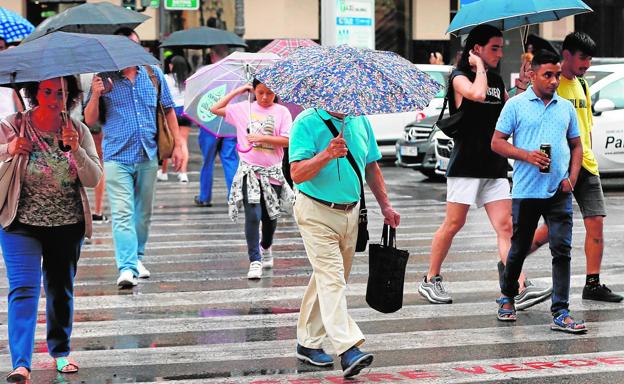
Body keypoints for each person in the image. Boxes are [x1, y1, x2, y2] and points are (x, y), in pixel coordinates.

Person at [418, 25, 551, 309]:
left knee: (506, 227)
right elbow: (477, 95)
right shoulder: (459, 77)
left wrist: (522, 88)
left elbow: (509, 110)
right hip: (466, 163)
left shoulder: (495, 78)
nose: (501, 53)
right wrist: (477, 66)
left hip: (494, 163)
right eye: (494, 48)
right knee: (454, 224)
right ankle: (430, 279)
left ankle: (518, 284)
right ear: (476, 49)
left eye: (502, 47)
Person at [0, 76, 102, 381]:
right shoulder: (12, 124)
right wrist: (9, 148)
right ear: (34, 93)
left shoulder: (78, 130)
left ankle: (60, 351)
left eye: (61, 92)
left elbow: (94, 178)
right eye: (47, 92)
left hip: (66, 224)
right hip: (20, 223)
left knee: (60, 290)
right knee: (23, 289)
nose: (55, 98)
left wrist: (76, 151)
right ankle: (21, 363)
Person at [289, 108, 400, 378]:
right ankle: (348, 347)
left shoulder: (360, 121)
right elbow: (297, 173)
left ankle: (307, 343)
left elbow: (371, 166)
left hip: (351, 212)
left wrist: (385, 206)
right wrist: (327, 154)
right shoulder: (305, 122)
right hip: (316, 211)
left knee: (328, 280)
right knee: (332, 279)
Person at [84, 28, 187, 288]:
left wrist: (178, 145)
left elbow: (168, 110)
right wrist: (95, 94)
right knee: (122, 213)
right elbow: (90, 120)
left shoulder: (152, 75)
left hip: (148, 153)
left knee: (143, 214)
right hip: (117, 156)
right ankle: (127, 267)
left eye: (135, 45)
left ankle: (137, 257)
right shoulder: (103, 78)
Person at [492, 49, 584, 332]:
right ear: (532, 74)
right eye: (548, 75)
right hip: (527, 190)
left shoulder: (565, 107)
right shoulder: (516, 105)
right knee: (519, 247)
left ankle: (561, 311)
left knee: (562, 250)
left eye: (557, 74)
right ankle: (507, 296)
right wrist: (525, 155)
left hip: (559, 190)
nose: (554, 80)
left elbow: (576, 145)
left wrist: (572, 179)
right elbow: (496, 142)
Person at [528, 33, 623, 303]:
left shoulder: (581, 83)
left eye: (590, 59)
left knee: (596, 222)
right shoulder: (552, 83)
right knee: (551, 229)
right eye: (583, 58)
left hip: (587, 165)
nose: (587, 64)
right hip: (561, 166)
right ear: (567, 55)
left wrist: (589, 153)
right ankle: (511, 260)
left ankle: (592, 283)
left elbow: (587, 124)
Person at [211, 80, 293, 279]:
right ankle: (255, 260)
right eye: (260, 92)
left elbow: (288, 140)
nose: (264, 97)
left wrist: (262, 138)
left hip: (272, 173)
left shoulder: (282, 112)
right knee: (253, 215)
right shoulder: (243, 109)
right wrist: (238, 90)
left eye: (269, 93)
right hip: (249, 172)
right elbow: (215, 108)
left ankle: (266, 246)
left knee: (270, 218)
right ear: (254, 91)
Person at [196, 45, 239, 207]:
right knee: (230, 159)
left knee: (207, 161)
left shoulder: (204, 72)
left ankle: (204, 197)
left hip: (209, 123)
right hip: (229, 121)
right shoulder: (235, 75)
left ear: (213, 56)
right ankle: (233, 197)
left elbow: (197, 97)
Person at [158, 55, 192, 183]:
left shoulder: (166, 78)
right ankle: (183, 173)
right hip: (185, 112)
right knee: (183, 143)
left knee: (169, 141)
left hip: (171, 112)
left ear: (173, 66)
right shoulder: (188, 80)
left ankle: (164, 172)